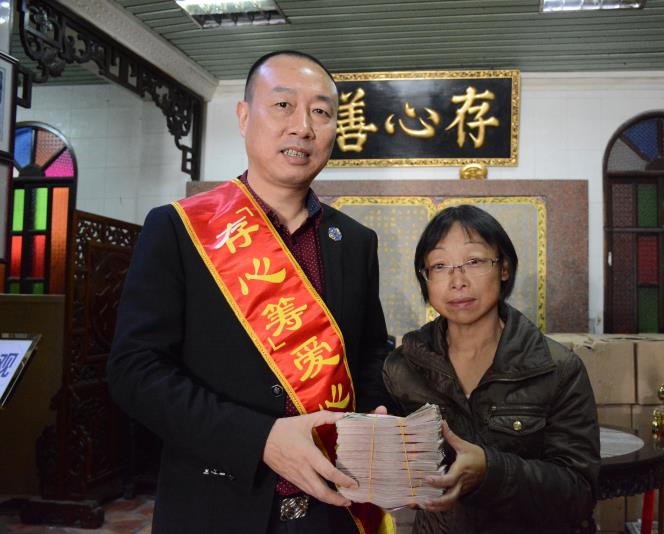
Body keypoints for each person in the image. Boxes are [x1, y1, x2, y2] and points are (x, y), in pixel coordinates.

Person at [108, 50, 392, 534]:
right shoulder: (178, 229)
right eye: (283, 105)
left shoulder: (355, 241)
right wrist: (259, 438)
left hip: (333, 509)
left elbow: (369, 353)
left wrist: (374, 417)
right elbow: (135, 372)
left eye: (321, 112)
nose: (303, 126)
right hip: (216, 507)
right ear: (244, 117)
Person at [383, 205, 600, 533]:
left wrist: (491, 472)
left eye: (474, 261)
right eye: (440, 266)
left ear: (504, 268)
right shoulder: (403, 367)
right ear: (425, 279)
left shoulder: (557, 369)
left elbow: (579, 493)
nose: (457, 281)